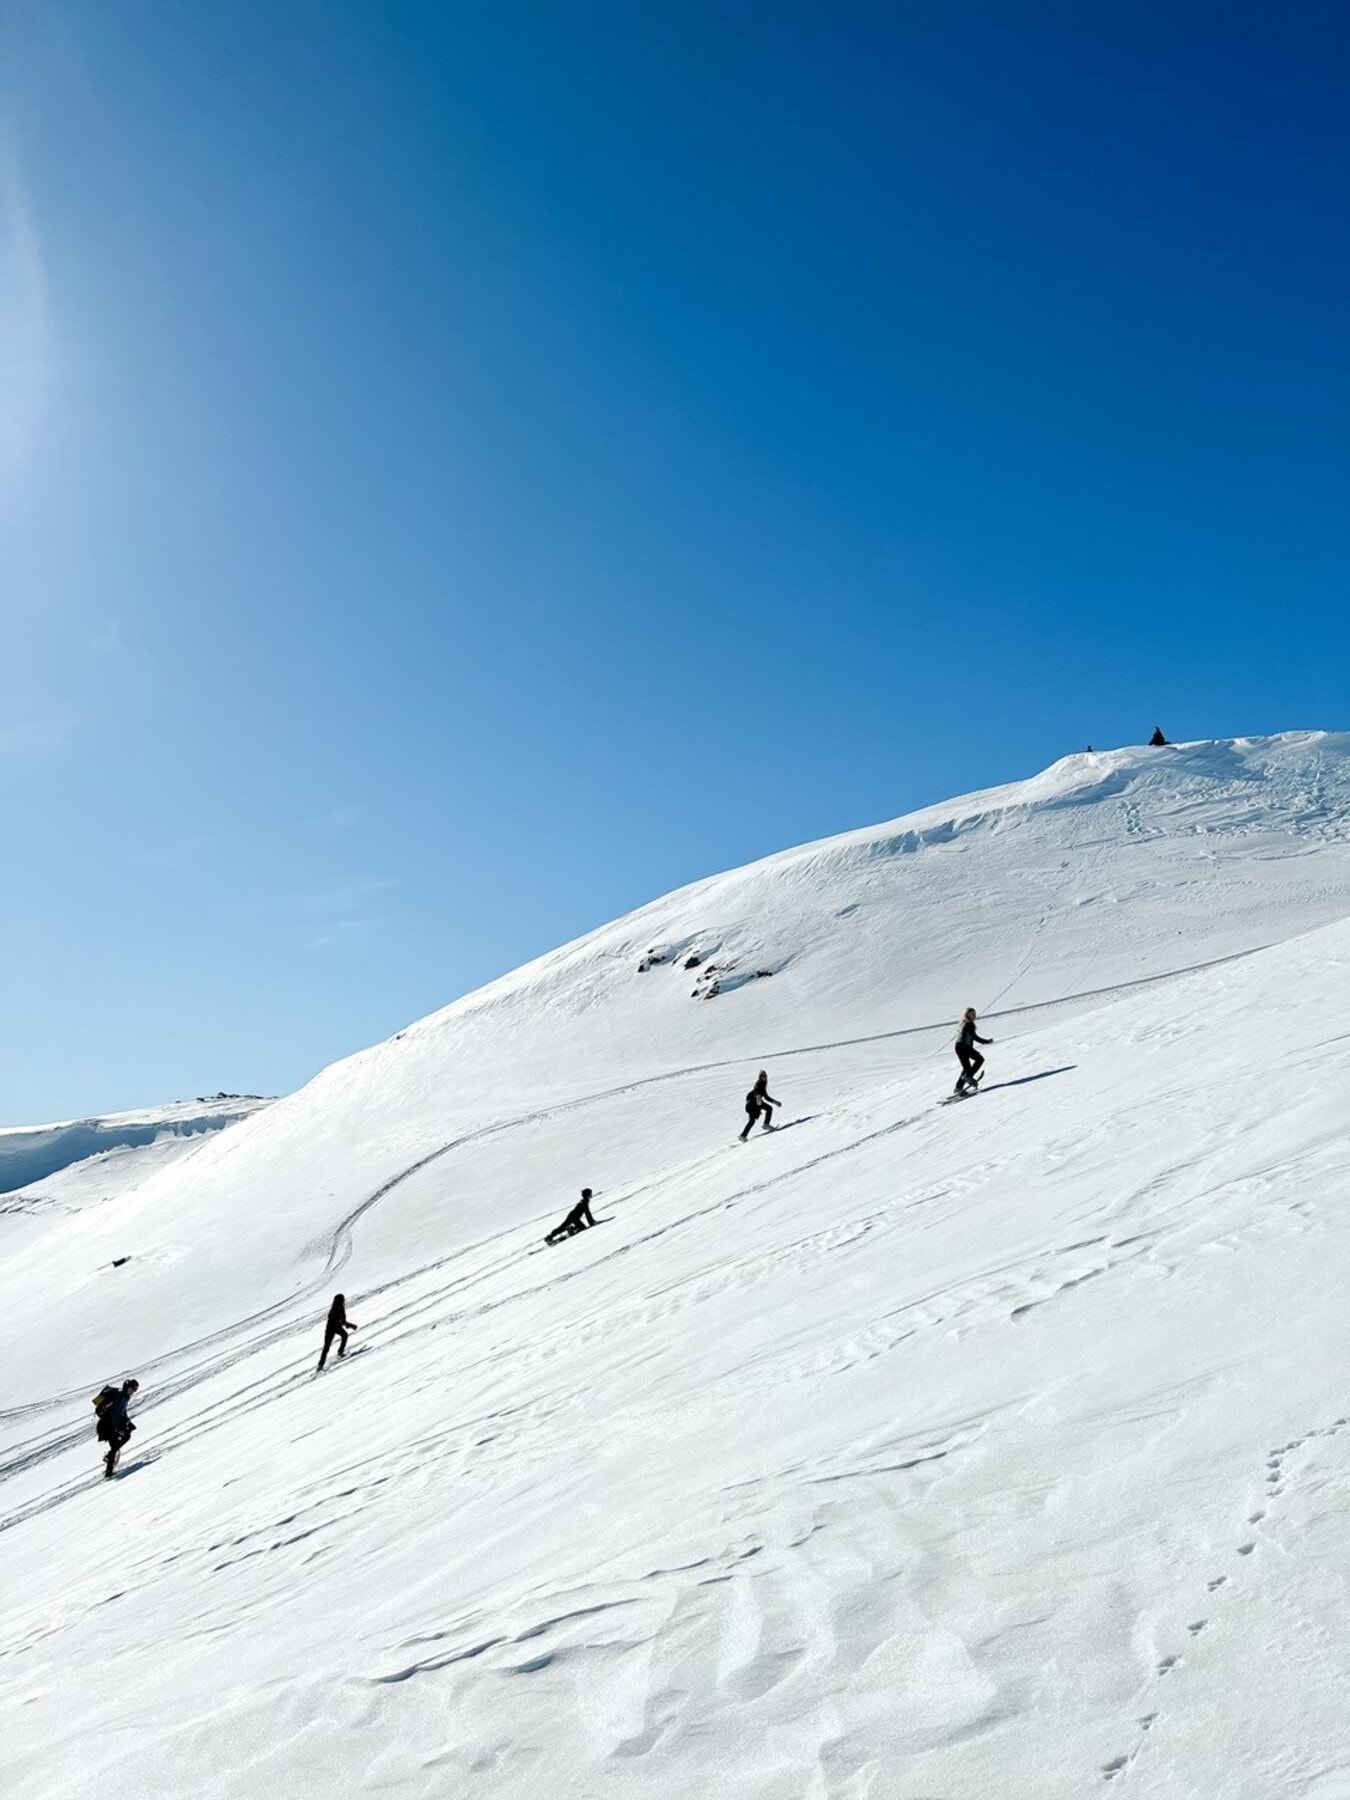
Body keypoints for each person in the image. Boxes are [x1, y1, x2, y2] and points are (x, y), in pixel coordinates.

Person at [93, 1377, 139, 1479]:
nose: (133, 1392)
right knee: (114, 1445)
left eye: (134, 1390)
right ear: (127, 1387)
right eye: (132, 1389)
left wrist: (128, 1422)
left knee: (126, 1436)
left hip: (112, 1425)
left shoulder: (125, 1397)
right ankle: (108, 1471)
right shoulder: (119, 1396)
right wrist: (118, 1429)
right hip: (106, 1425)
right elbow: (114, 1415)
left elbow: (122, 1413)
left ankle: (109, 1459)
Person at [954, 1008, 992, 1095]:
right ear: (967, 1014)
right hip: (964, 1046)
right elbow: (975, 1037)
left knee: (966, 1068)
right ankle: (968, 1077)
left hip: (959, 1046)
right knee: (979, 1059)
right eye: (972, 1014)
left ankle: (958, 1087)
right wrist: (986, 1041)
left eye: (975, 1014)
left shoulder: (964, 1023)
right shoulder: (968, 1024)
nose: (974, 1016)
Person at [317, 1293, 358, 1370]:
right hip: (335, 1327)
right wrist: (351, 1325)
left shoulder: (333, 1308)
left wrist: (347, 1324)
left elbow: (341, 1321)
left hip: (329, 1328)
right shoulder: (340, 1308)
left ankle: (320, 1364)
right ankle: (340, 1351)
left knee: (326, 1347)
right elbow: (342, 1321)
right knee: (344, 1335)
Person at [739, 1069, 780, 1140]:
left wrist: (774, 1102)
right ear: (759, 1077)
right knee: (753, 1120)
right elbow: (756, 1090)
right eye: (762, 1076)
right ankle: (744, 1135)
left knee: (768, 1109)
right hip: (752, 1105)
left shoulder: (763, 1084)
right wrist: (758, 1097)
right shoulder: (758, 1084)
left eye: (765, 1076)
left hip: (757, 1104)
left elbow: (766, 1097)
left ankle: (743, 1135)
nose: (764, 1077)